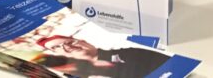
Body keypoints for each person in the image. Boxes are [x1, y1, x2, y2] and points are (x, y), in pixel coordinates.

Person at [35, 35, 167, 77]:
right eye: (57, 47)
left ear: (83, 41)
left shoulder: (131, 53)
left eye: (68, 42)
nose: (68, 47)